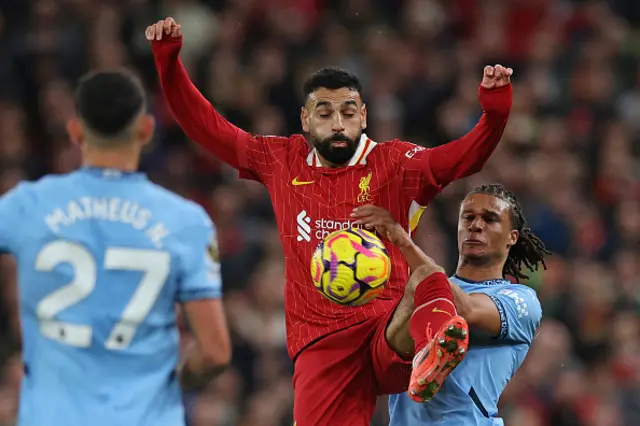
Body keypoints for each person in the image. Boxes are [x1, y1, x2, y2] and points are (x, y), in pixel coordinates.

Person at [146, 17, 513, 425]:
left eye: (348, 112)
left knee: (426, 277)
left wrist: (494, 115)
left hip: (387, 329)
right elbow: (206, 126)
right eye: (325, 113)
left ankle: (435, 346)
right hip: (322, 345)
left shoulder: (396, 162)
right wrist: (168, 62)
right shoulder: (280, 159)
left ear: (364, 117)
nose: (338, 123)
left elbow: (464, 157)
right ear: (305, 120)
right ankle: (433, 340)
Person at [0, 70, 232, 426]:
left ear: (75, 131)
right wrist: (172, 382)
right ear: (146, 130)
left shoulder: (27, 207)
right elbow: (215, 352)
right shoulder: (184, 222)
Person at [353, 183, 548, 425]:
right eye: (468, 217)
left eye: (490, 219)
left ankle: (427, 351)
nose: (475, 225)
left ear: (512, 237)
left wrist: (404, 243)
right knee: (405, 300)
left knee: (421, 287)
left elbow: (467, 309)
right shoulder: (421, 285)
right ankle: (424, 355)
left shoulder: (521, 299)